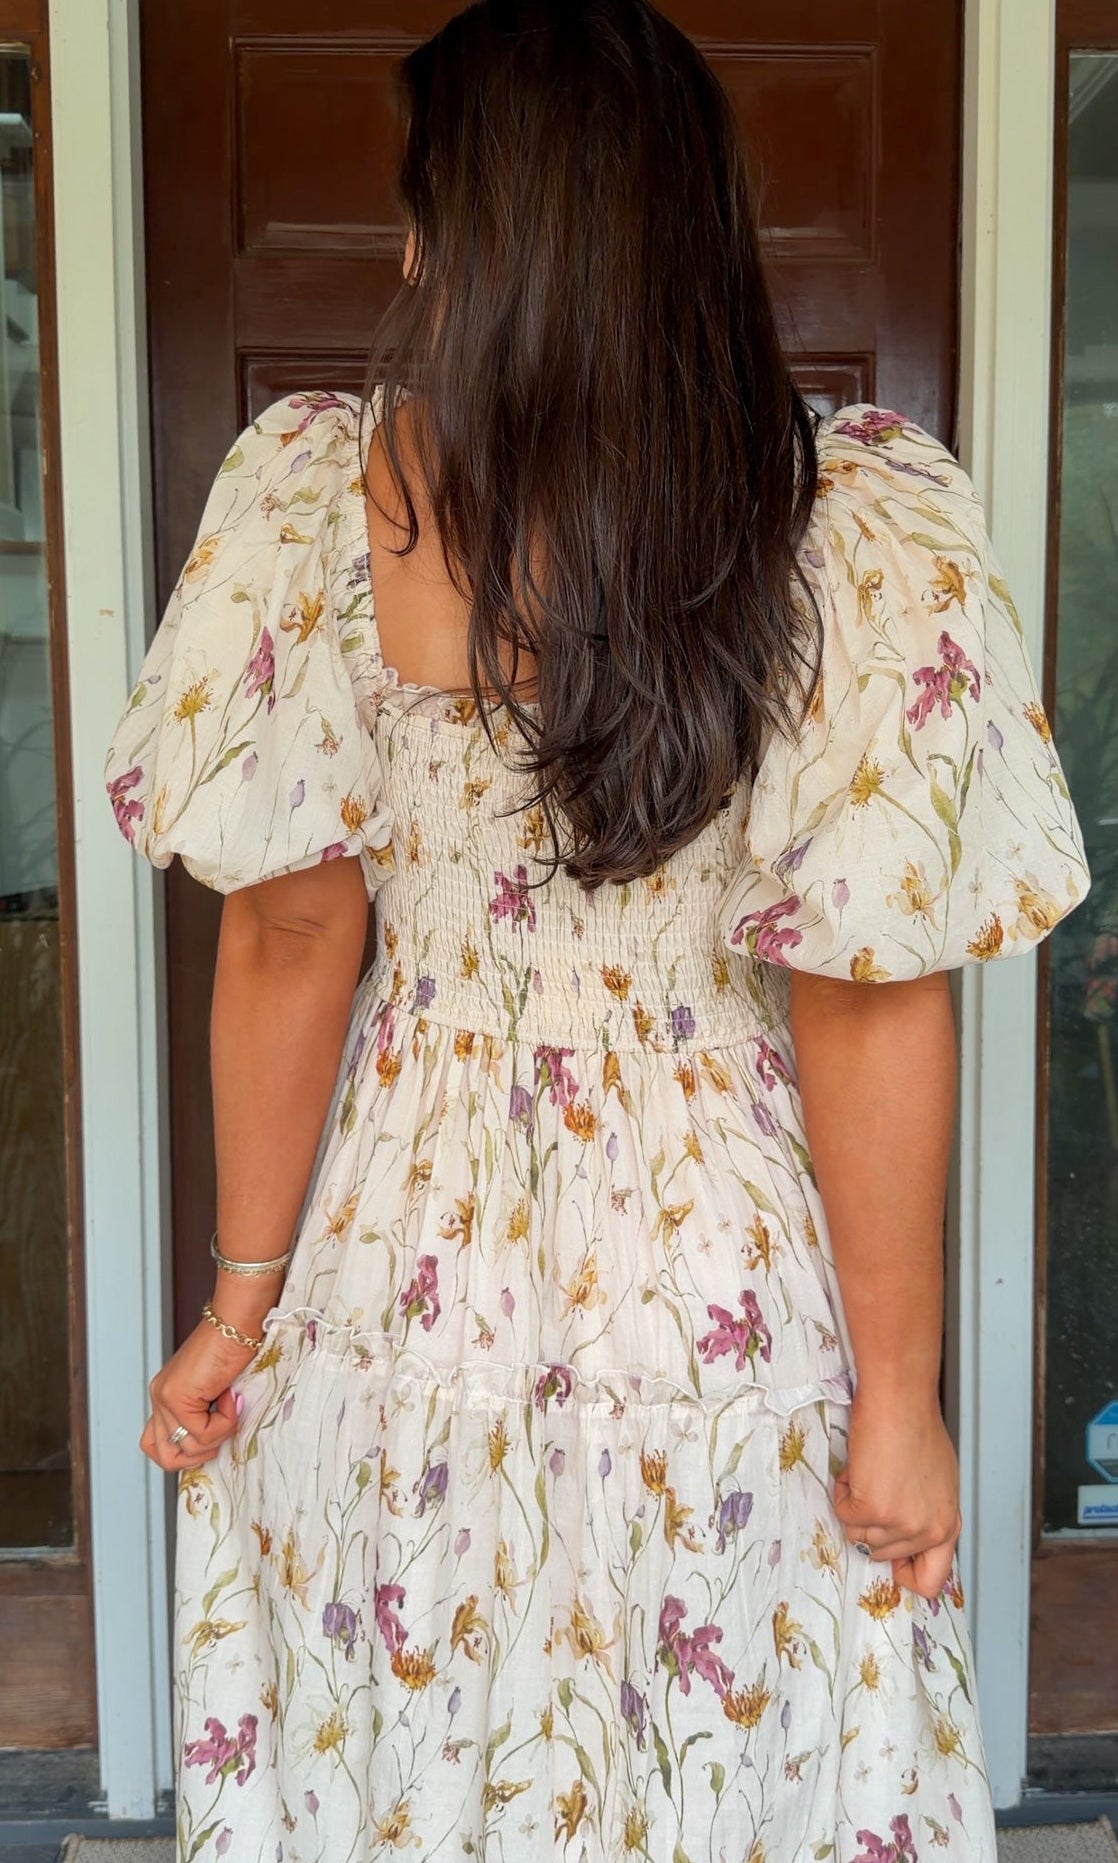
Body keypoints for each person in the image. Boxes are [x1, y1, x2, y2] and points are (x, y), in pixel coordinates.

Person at [104, 3, 1089, 1858]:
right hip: (714, 1291)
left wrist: (238, 1310)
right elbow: (866, 996)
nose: (402, 252)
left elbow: (289, 942)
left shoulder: (317, 499)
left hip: (411, 1279)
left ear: (473, 238)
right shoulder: (845, 516)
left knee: (432, 1757)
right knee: (729, 1755)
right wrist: (896, 1399)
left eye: (421, 211)